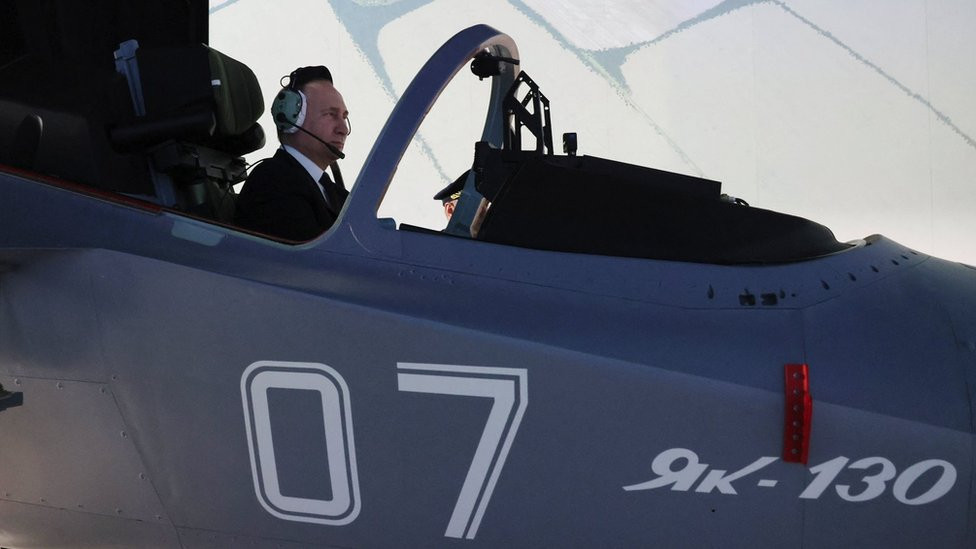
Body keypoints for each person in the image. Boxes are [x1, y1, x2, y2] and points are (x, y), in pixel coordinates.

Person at [235, 65, 350, 241]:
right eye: (330, 114)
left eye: (344, 116)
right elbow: (317, 260)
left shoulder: (333, 191)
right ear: (291, 117)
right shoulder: (272, 181)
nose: (343, 129)